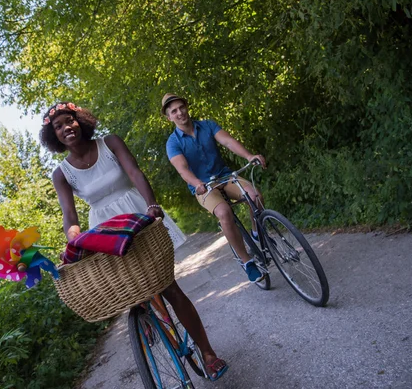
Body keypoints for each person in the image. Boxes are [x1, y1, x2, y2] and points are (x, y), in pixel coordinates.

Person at [39, 101, 228, 380]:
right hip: (105, 229)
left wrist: (152, 205)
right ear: (53, 136)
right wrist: (74, 240)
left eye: (70, 120)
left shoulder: (109, 142)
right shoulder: (61, 174)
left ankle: (208, 353)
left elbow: (135, 173)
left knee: (169, 287)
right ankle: (147, 317)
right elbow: (70, 215)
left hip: (137, 215)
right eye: (58, 126)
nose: (66, 127)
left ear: (81, 121)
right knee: (131, 288)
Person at [163, 93, 267, 283]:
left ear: (187, 107)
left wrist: (249, 156)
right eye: (174, 111)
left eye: (181, 107)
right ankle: (247, 262)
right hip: (203, 187)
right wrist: (197, 184)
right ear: (169, 117)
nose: (180, 112)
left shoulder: (207, 125)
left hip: (225, 176)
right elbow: (182, 168)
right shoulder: (173, 143)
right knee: (224, 212)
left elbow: (228, 141)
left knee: (255, 195)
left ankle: (256, 232)